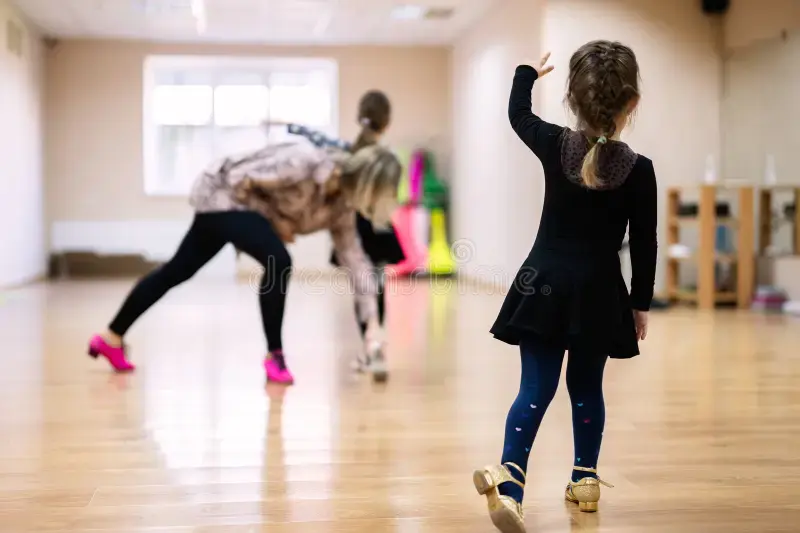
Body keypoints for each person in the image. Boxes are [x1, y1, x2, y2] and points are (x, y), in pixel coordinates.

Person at [472, 41, 657, 533]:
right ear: (632, 103)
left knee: (535, 388)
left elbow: (518, 115)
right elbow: (645, 242)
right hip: (599, 293)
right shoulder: (640, 170)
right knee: (587, 387)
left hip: (544, 287)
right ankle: (585, 479)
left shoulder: (554, 144)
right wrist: (640, 303)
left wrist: (526, 73)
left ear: (572, 99)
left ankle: (511, 483)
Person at [87, 137, 402, 386]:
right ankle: (274, 356)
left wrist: (373, 326)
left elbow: (356, 263)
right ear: (366, 182)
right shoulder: (304, 162)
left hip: (231, 210)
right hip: (221, 194)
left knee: (177, 271)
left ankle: (110, 338)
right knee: (278, 261)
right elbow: (237, 179)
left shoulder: (342, 209)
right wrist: (276, 224)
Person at [279, 90, 404, 376]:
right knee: (377, 287)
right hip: (381, 229)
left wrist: (291, 126)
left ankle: (370, 350)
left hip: (355, 228)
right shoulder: (389, 157)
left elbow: (318, 139)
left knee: (362, 290)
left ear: (360, 117)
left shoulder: (348, 152)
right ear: (387, 122)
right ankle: (376, 351)